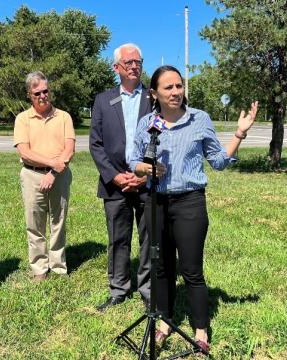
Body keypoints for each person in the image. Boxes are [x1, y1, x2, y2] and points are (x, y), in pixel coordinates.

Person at [129, 65, 258, 354]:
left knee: (191, 270)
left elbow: (219, 161)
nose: (176, 92)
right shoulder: (148, 124)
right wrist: (144, 168)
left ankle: (200, 330)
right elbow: (132, 160)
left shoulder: (199, 119)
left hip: (190, 203)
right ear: (155, 94)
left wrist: (239, 133)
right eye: (168, 88)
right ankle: (164, 323)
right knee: (161, 267)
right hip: (156, 202)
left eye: (179, 86)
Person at [89, 43, 152, 312]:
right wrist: (114, 176)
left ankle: (150, 289)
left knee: (151, 238)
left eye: (138, 61)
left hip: (147, 181)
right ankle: (119, 288)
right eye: (129, 63)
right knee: (118, 238)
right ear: (117, 68)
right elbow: (96, 144)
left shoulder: (153, 97)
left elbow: (164, 139)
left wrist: (144, 173)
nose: (135, 66)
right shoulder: (103, 100)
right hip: (115, 184)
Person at [14, 71, 75, 282]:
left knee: (58, 220)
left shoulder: (64, 117)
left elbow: (69, 150)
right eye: (37, 92)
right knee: (35, 223)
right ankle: (39, 267)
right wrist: (51, 164)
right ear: (30, 95)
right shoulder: (22, 119)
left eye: (45, 91)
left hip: (60, 175)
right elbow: (24, 152)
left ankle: (58, 266)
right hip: (32, 175)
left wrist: (54, 172)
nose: (42, 95)